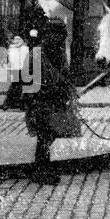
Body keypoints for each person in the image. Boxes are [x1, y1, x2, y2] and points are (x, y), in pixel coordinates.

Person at [23, 27, 82, 185]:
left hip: (55, 102)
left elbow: (65, 75)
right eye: (53, 35)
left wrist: (68, 89)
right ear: (47, 36)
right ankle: (42, 171)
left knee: (49, 136)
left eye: (60, 36)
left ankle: (40, 169)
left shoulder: (60, 53)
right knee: (44, 136)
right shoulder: (36, 54)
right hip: (40, 101)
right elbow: (26, 78)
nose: (57, 39)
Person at [2, 34, 29, 111]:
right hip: (16, 70)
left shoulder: (25, 48)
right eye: (15, 39)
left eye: (19, 39)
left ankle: (11, 103)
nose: (17, 41)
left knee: (18, 86)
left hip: (23, 69)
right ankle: (13, 104)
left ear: (22, 40)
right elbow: (11, 60)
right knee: (17, 86)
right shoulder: (12, 49)